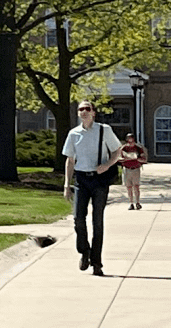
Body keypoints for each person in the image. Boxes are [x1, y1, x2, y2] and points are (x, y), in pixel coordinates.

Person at [63, 100, 122, 277]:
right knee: (78, 219)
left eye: (87, 109)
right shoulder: (74, 134)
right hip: (81, 179)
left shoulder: (104, 130)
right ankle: (84, 251)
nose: (84, 112)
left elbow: (117, 150)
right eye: (81, 109)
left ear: (93, 112)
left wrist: (107, 164)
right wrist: (67, 183)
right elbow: (70, 160)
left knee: (98, 221)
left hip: (99, 181)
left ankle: (97, 263)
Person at [119, 132, 148, 210]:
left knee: (136, 186)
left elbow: (144, 159)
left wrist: (136, 158)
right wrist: (125, 158)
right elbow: (119, 159)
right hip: (127, 169)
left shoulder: (138, 148)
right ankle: (131, 203)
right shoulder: (124, 148)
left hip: (135, 168)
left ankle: (137, 202)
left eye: (131, 139)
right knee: (129, 187)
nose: (130, 141)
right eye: (128, 140)